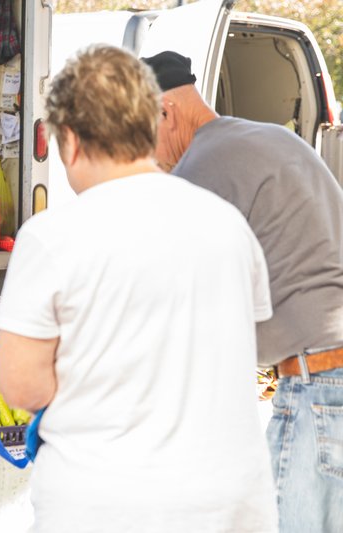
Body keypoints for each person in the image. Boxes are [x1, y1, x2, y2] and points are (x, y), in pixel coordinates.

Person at [0, 44, 277, 532]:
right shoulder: (228, 224)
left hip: (107, 506)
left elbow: (21, 387)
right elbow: (241, 346)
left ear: (72, 141)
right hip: (232, 506)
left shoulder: (49, 237)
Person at [142, 50, 343, 533]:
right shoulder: (269, 136)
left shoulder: (201, 167)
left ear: (165, 111)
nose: (148, 154)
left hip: (318, 389)